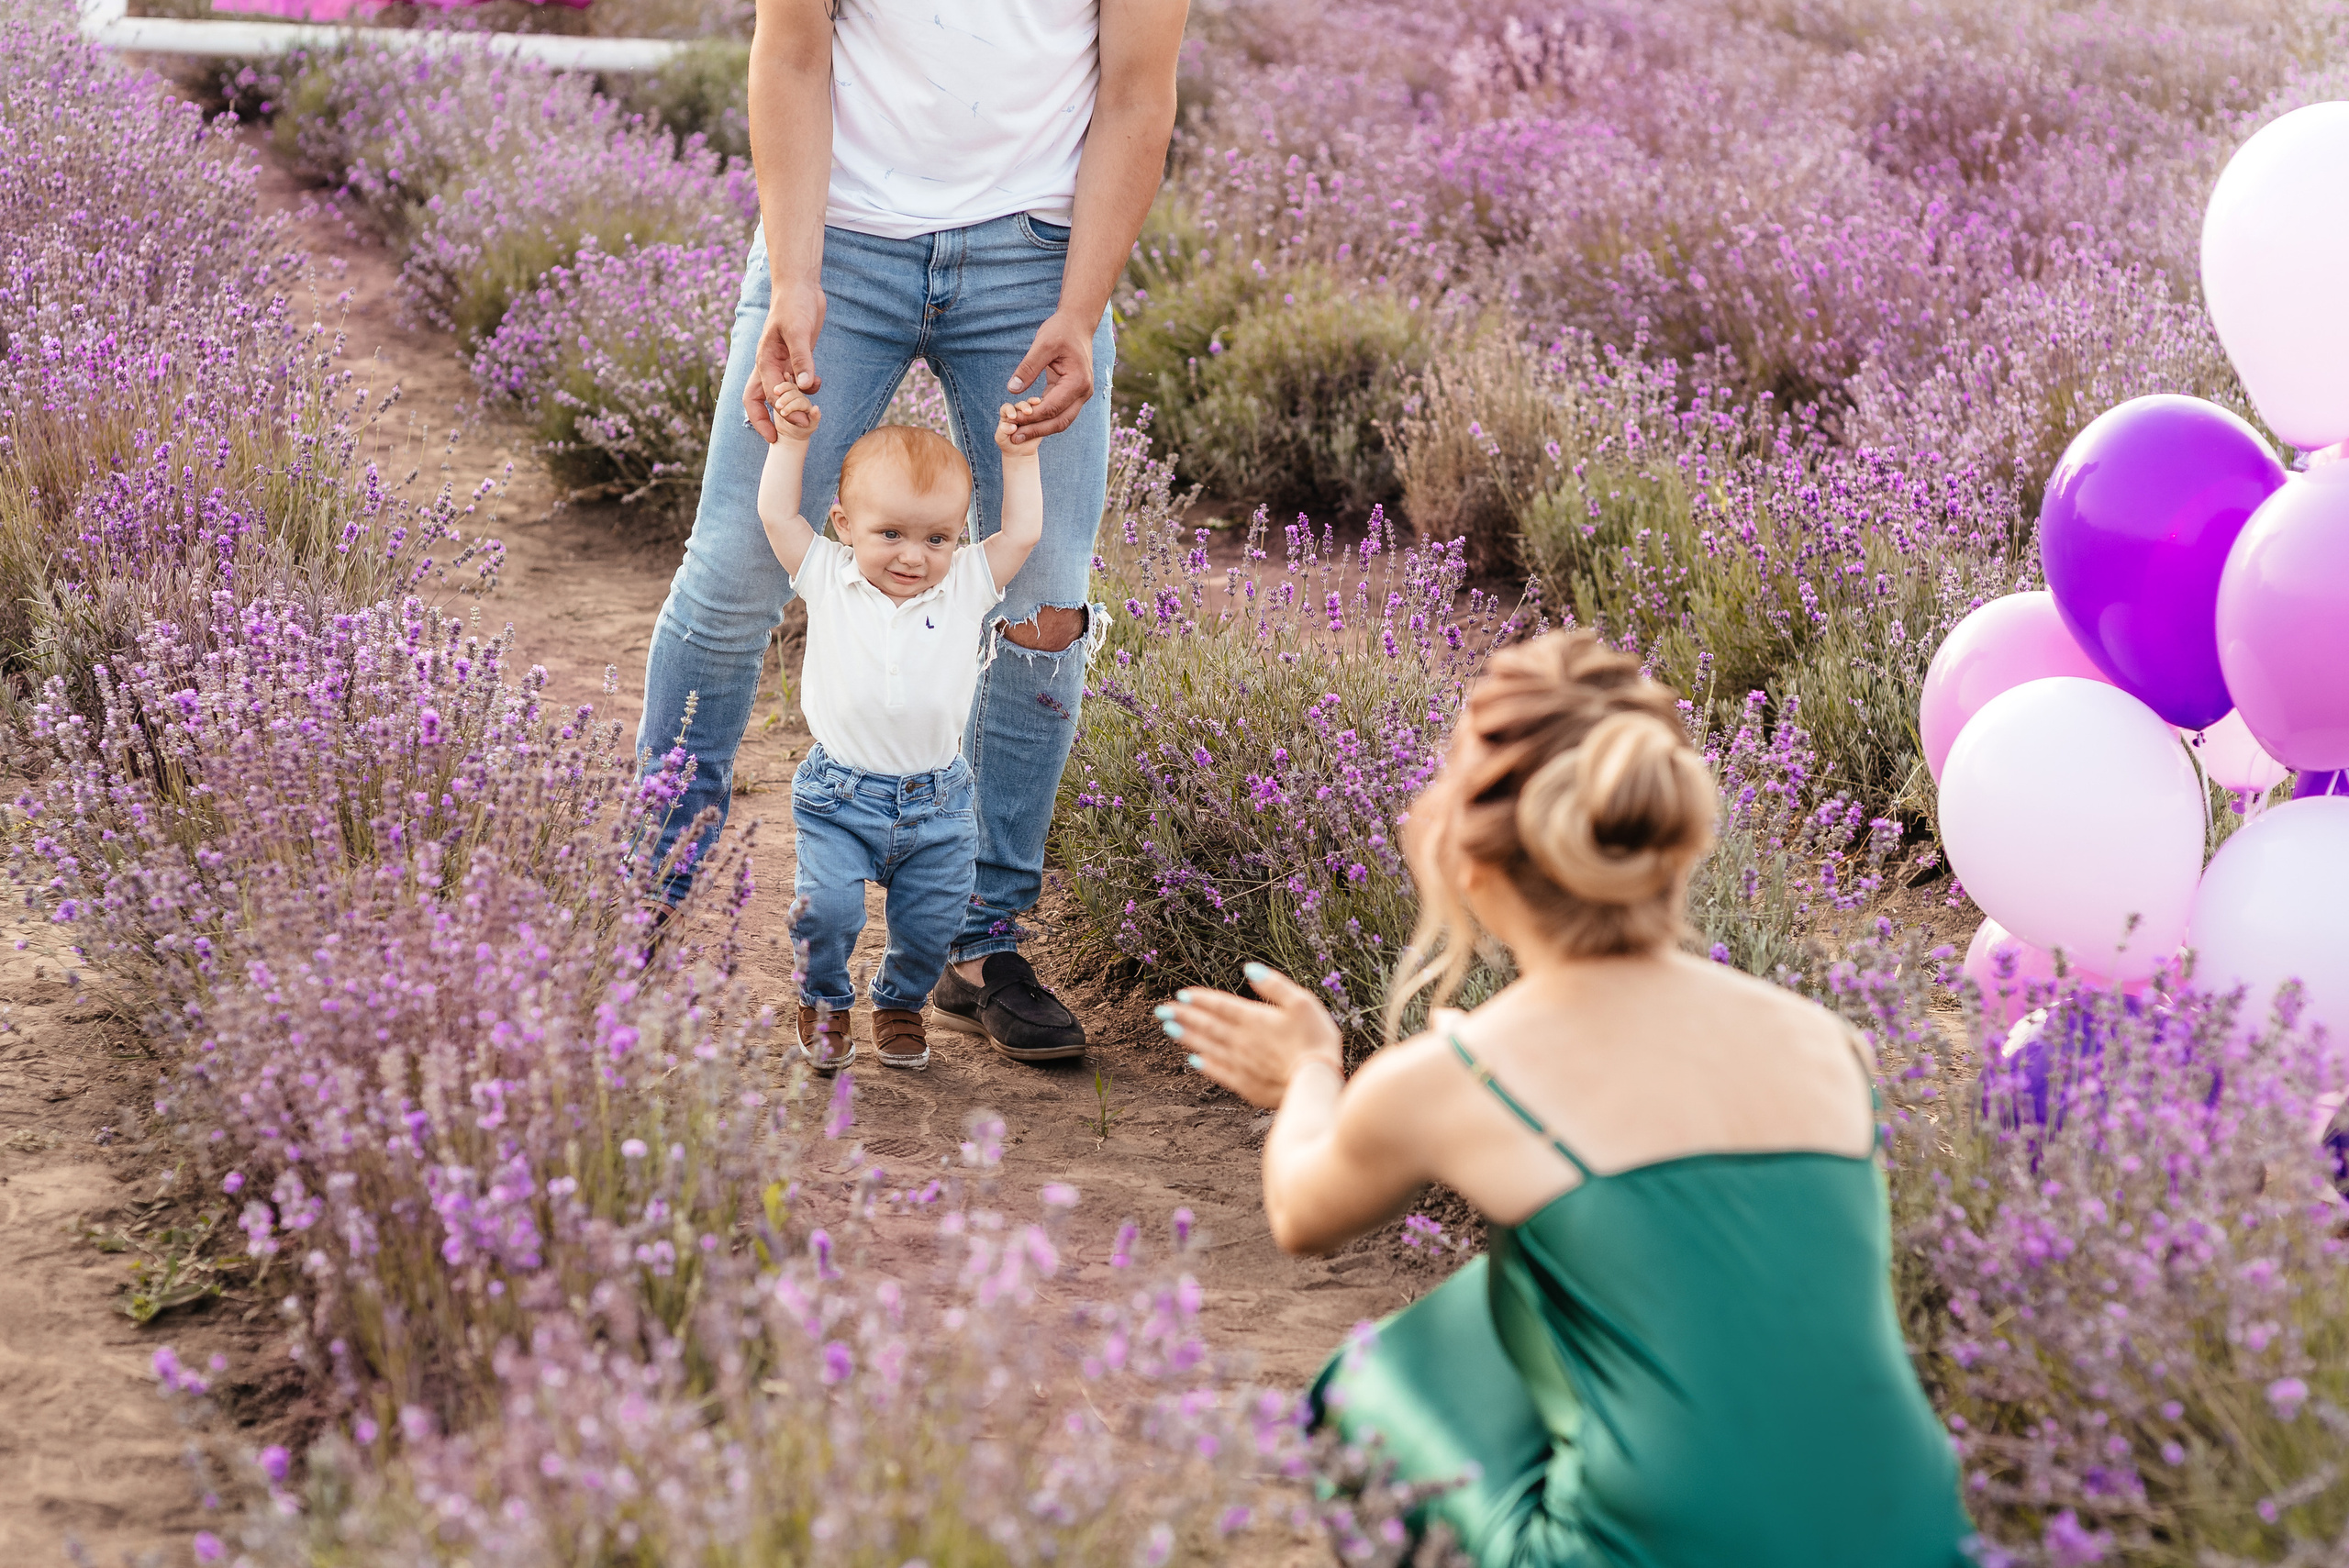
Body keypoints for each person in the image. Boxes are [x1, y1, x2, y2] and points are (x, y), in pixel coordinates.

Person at [1156, 632, 1976, 1567]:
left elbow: (1301, 1209)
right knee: (1585, 1283)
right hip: (1918, 1541)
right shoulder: (1831, 1042)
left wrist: (1308, 1066)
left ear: (1471, 852)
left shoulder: (1462, 1072)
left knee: (1382, 1379)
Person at [635, 0, 1190, 1065]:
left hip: (1035, 255)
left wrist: (1080, 310)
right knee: (734, 572)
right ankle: (644, 892)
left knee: (1044, 610)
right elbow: (791, 54)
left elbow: (1134, 95)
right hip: (838, 242)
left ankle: (980, 942)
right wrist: (795, 280)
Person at [755, 388, 1046, 1073]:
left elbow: (1023, 533)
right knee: (824, 914)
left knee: (930, 925)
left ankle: (899, 1001)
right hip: (838, 797)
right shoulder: (827, 573)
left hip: (939, 803)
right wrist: (791, 442)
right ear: (845, 523)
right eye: (890, 534)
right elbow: (775, 512)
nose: (914, 556)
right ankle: (825, 1000)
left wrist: (1021, 456)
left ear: (957, 536)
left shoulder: (966, 585)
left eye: (936, 537)